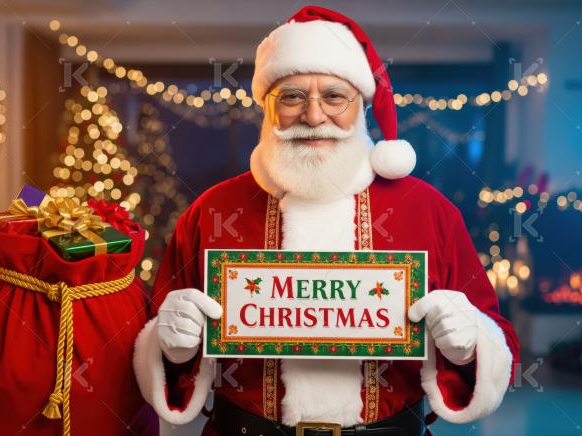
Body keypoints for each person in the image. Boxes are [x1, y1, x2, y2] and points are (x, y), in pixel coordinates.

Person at [133, 5, 519, 435]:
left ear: (361, 105)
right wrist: (172, 348)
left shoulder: (429, 211)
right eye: (292, 97)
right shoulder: (212, 211)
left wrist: (469, 345)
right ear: (267, 106)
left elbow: (497, 338)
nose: (314, 116)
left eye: (334, 97)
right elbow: (157, 344)